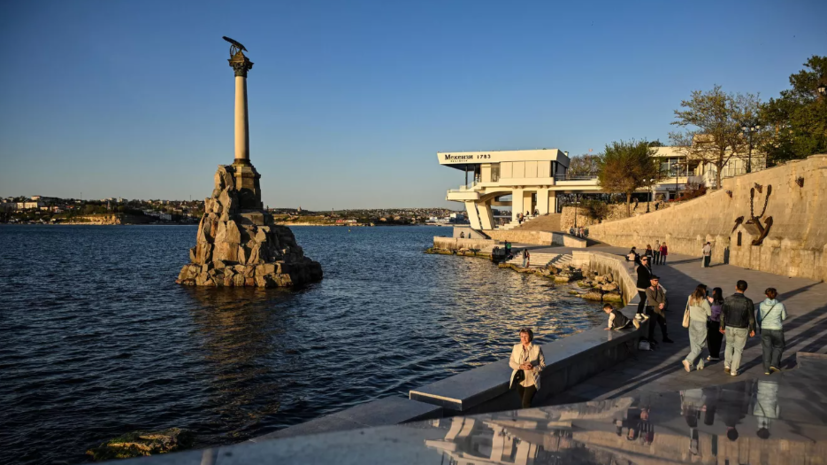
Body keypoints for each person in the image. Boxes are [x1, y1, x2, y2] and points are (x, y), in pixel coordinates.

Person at [720, 280, 756, 377]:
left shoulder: (728, 299)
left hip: (729, 326)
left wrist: (722, 325)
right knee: (738, 349)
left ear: (736, 287)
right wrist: (752, 329)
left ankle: (727, 365)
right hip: (742, 327)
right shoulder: (748, 302)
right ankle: (734, 370)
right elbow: (751, 317)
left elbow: (722, 314)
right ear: (746, 289)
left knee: (728, 345)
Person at [509, 328, 545, 409]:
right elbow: (511, 363)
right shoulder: (516, 347)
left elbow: (542, 365)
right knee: (524, 402)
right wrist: (520, 366)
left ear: (530, 337)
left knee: (525, 403)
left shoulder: (537, 348)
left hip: (532, 380)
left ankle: (527, 416)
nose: (523, 338)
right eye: (522, 336)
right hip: (520, 380)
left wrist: (533, 368)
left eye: (525, 336)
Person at [683, 284, 712, 372]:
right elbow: (709, 313)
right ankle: (688, 360)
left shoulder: (690, 298)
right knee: (700, 345)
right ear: (703, 291)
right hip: (701, 324)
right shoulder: (704, 301)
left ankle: (699, 364)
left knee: (694, 344)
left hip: (692, 322)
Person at [758, 288, 787, 375]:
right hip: (777, 329)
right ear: (776, 295)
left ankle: (767, 369)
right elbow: (784, 317)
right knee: (779, 346)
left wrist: (761, 325)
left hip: (765, 328)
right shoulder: (780, 305)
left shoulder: (761, 305)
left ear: (766, 295)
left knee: (766, 348)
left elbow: (759, 318)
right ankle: (774, 364)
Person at [646, 275, 673, 343]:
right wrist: (658, 305)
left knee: (664, 324)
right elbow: (650, 300)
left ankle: (665, 337)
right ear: (651, 281)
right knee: (652, 325)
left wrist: (663, 303)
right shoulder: (649, 289)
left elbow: (663, 296)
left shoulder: (659, 288)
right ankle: (651, 338)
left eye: (657, 280)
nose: (657, 282)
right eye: (655, 280)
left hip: (661, 309)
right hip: (654, 309)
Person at [706, 287, 724, 361]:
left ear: (715, 293)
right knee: (718, 340)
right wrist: (708, 297)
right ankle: (716, 354)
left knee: (711, 339)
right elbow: (711, 299)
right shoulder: (723, 302)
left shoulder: (715, 303)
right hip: (721, 323)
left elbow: (713, 314)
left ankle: (712, 354)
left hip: (713, 323)